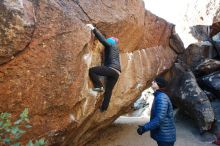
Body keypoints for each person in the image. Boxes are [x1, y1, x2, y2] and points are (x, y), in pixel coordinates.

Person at [86, 24, 121, 112]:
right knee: (109, 91)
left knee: (92, 70)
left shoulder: (110, 45)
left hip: (111, 69)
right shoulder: (116, 49)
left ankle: (99, 86)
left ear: (111, 42)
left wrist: (94, 29)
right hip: (117, 73)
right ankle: (104, 108)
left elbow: (102, 40)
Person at [137, 77, 176, 146]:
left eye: (154, 81)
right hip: (164, 136)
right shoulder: (160, 96)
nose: (152, 82)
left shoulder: (161, 97)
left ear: (158, 85)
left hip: (165, 137)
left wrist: (144, 128)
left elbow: (159, 118)